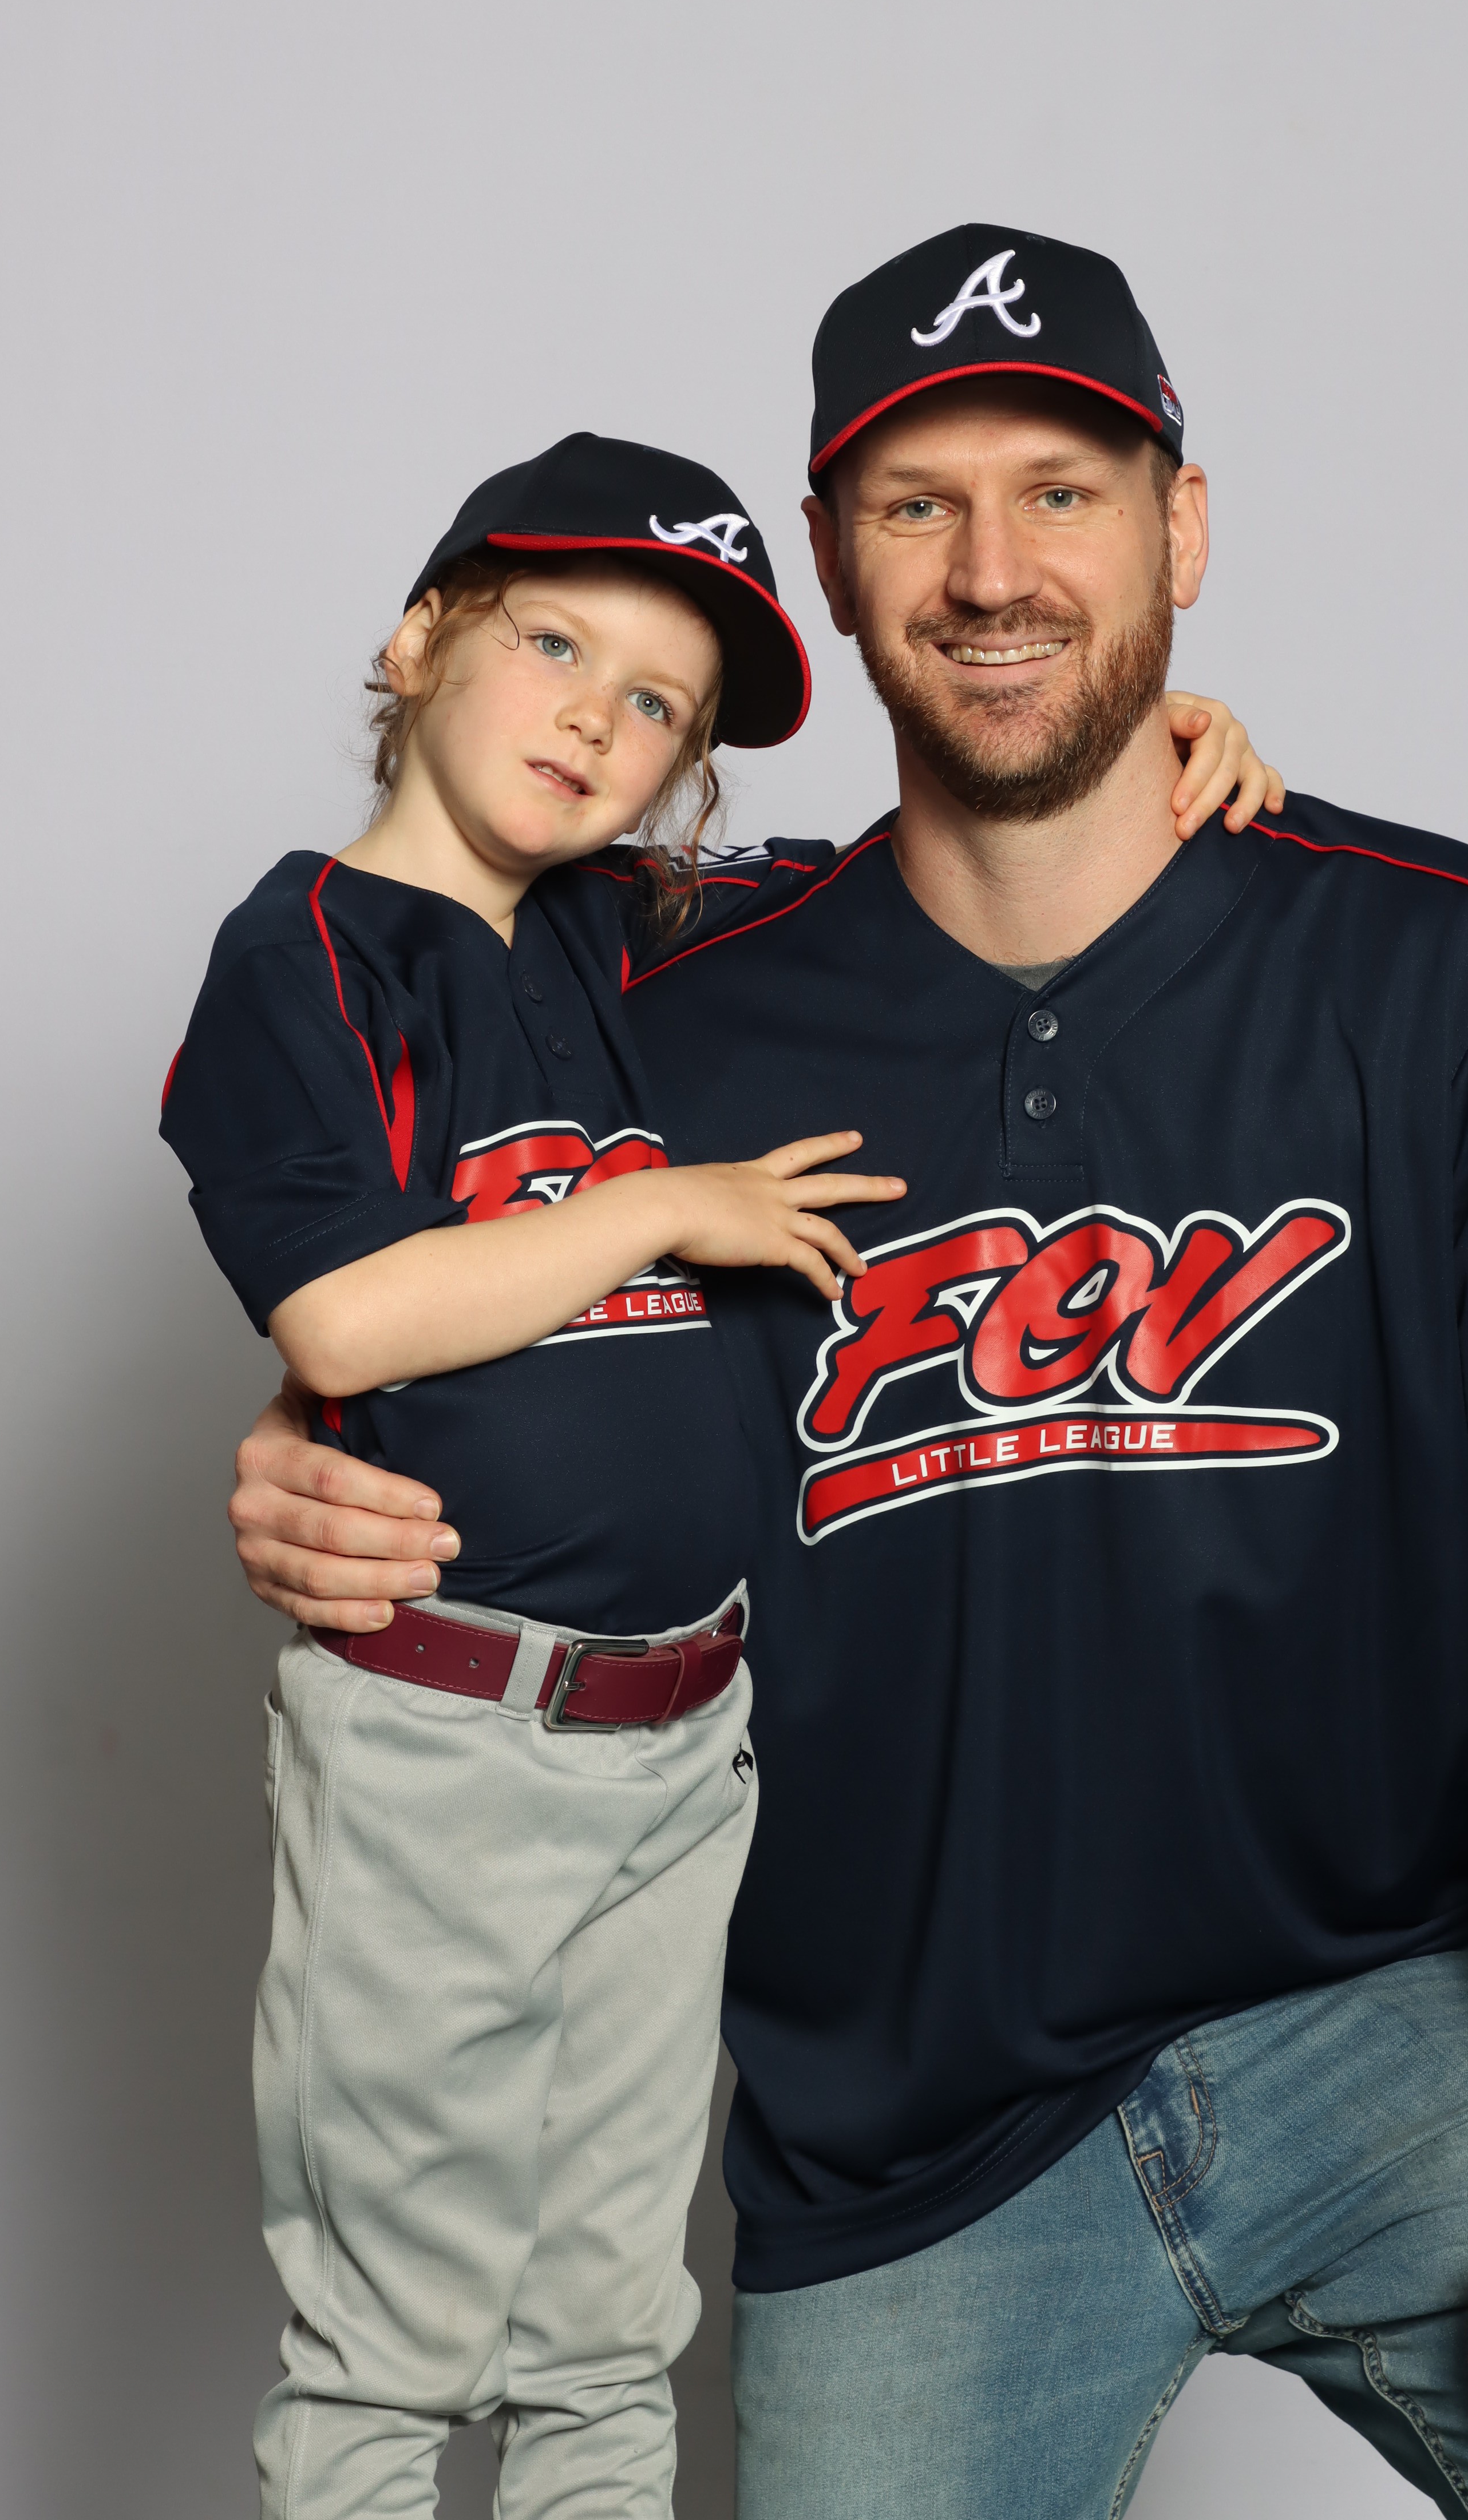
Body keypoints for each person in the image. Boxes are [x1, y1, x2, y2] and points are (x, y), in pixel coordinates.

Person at [223, 228, 1468, 2520]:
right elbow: (396, 1238)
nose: (991, 572)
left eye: (1062, 493)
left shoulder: (1443, 966)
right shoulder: (644, 1000)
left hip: (1397, 2033)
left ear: (1182, 529)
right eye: (918, 506)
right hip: (907, 2135)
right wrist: (311, 1448)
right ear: (833, 568)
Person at [162, 422, 1267, 2520]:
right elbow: (343, 1320)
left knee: (607, 2337)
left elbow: (932, 877)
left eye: (661, 705)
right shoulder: (306, 950)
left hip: (684, 1738)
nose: (601, 717)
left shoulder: (624, 935)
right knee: (393, 2349)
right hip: (451, 1734)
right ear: (418, 641)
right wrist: (666, 1207)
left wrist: (1155, 753)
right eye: (554, 644)